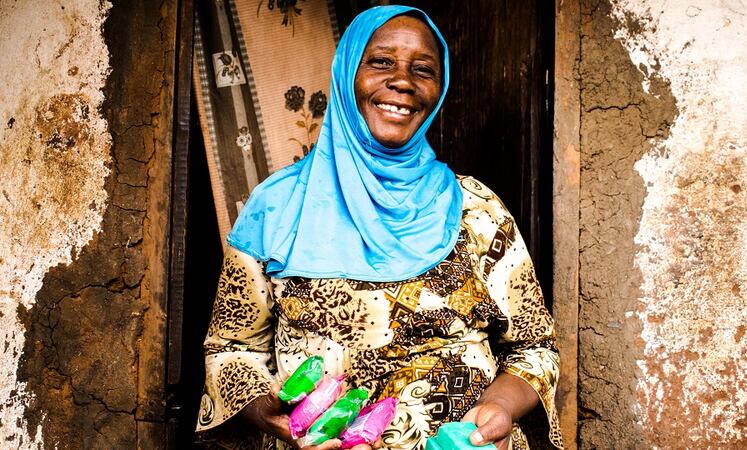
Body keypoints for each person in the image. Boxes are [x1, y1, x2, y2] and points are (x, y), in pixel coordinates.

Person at [195, 6, 562, 450]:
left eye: (423, 69)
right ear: (348, 71)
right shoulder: (275, 207)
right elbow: (231, 348)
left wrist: (499, 408)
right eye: (381, 62)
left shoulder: (477, 209)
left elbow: (534, 347)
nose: (403, 81)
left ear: (439, 89)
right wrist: (269, 414)